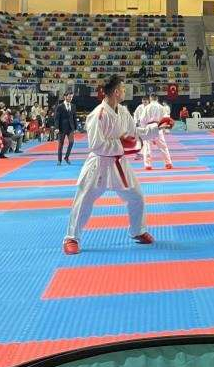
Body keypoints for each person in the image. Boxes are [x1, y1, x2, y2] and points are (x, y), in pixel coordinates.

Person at [62, 74, 160, 255]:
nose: (124, 91)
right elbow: (96, 144)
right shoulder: (98, 114)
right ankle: (71, 238)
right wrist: (122, 145)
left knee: (136, 196)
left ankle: (137, 231)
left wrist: (157, 127)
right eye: (122, 88)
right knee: (84, 199)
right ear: (116, 92)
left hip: (119, 163)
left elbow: (134, 132)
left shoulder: (122, 111)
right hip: (99, 163)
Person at [141, 94, 173, 170]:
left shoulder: (147, 107)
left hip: (148, 127)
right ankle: (168, 163)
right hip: (158, 126)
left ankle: (148, 165)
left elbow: (142, 119)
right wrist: (164, 128)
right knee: (163, 147)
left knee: (147, 147)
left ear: (150, 99)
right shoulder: (161, 107)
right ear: (157, 99)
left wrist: (144, 128)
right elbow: (166, 119)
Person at [54, 92, 77, 165]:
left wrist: (75, 128)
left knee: (71, 142)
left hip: (70, 127)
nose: (70, 98)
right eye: (69, 97)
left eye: (71, 97)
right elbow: (57, 118)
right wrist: (56, 127)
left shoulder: (73, 106)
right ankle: (59, 160)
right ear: (65, 97)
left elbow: (74, 117)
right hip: (61, 128)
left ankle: (66, 157)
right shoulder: (60, 106)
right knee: (61, 144)